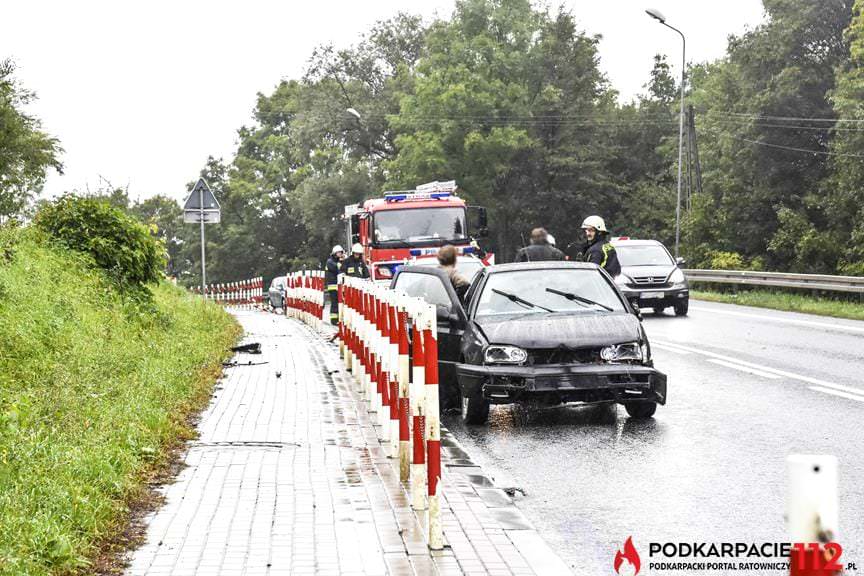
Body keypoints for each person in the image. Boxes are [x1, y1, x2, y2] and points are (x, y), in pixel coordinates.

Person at [325, 245, 345, 325]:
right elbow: (338, 270)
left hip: (339, 285)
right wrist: (342, 262)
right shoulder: (330, 262)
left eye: (341, 253)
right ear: (334, 253)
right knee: (334, 303)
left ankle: (340, 318)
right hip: (333, 286)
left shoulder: (337, 262)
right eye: (338, 253)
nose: (340, 254)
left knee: (340, 303)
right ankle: (334, 320)